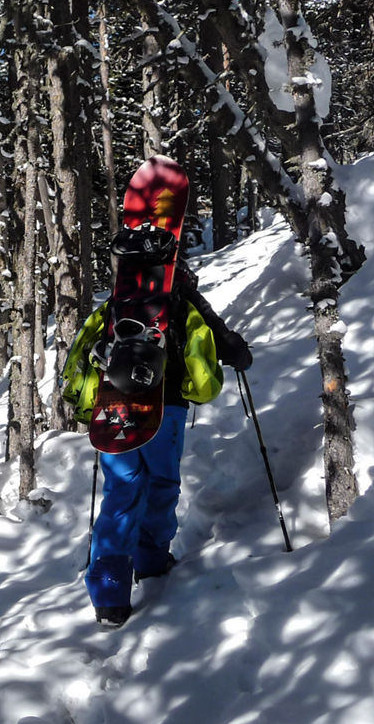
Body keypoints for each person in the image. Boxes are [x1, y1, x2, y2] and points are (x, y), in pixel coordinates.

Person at [83, 259, 252, 627]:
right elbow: (220, 344)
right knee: (161, 484)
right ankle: (151, 560)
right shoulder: (182, 303)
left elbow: (82, 353)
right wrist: (240, 355)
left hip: (113, 408)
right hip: (165, 407)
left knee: (120, 491)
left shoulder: (115, 305)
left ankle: (109, 594)